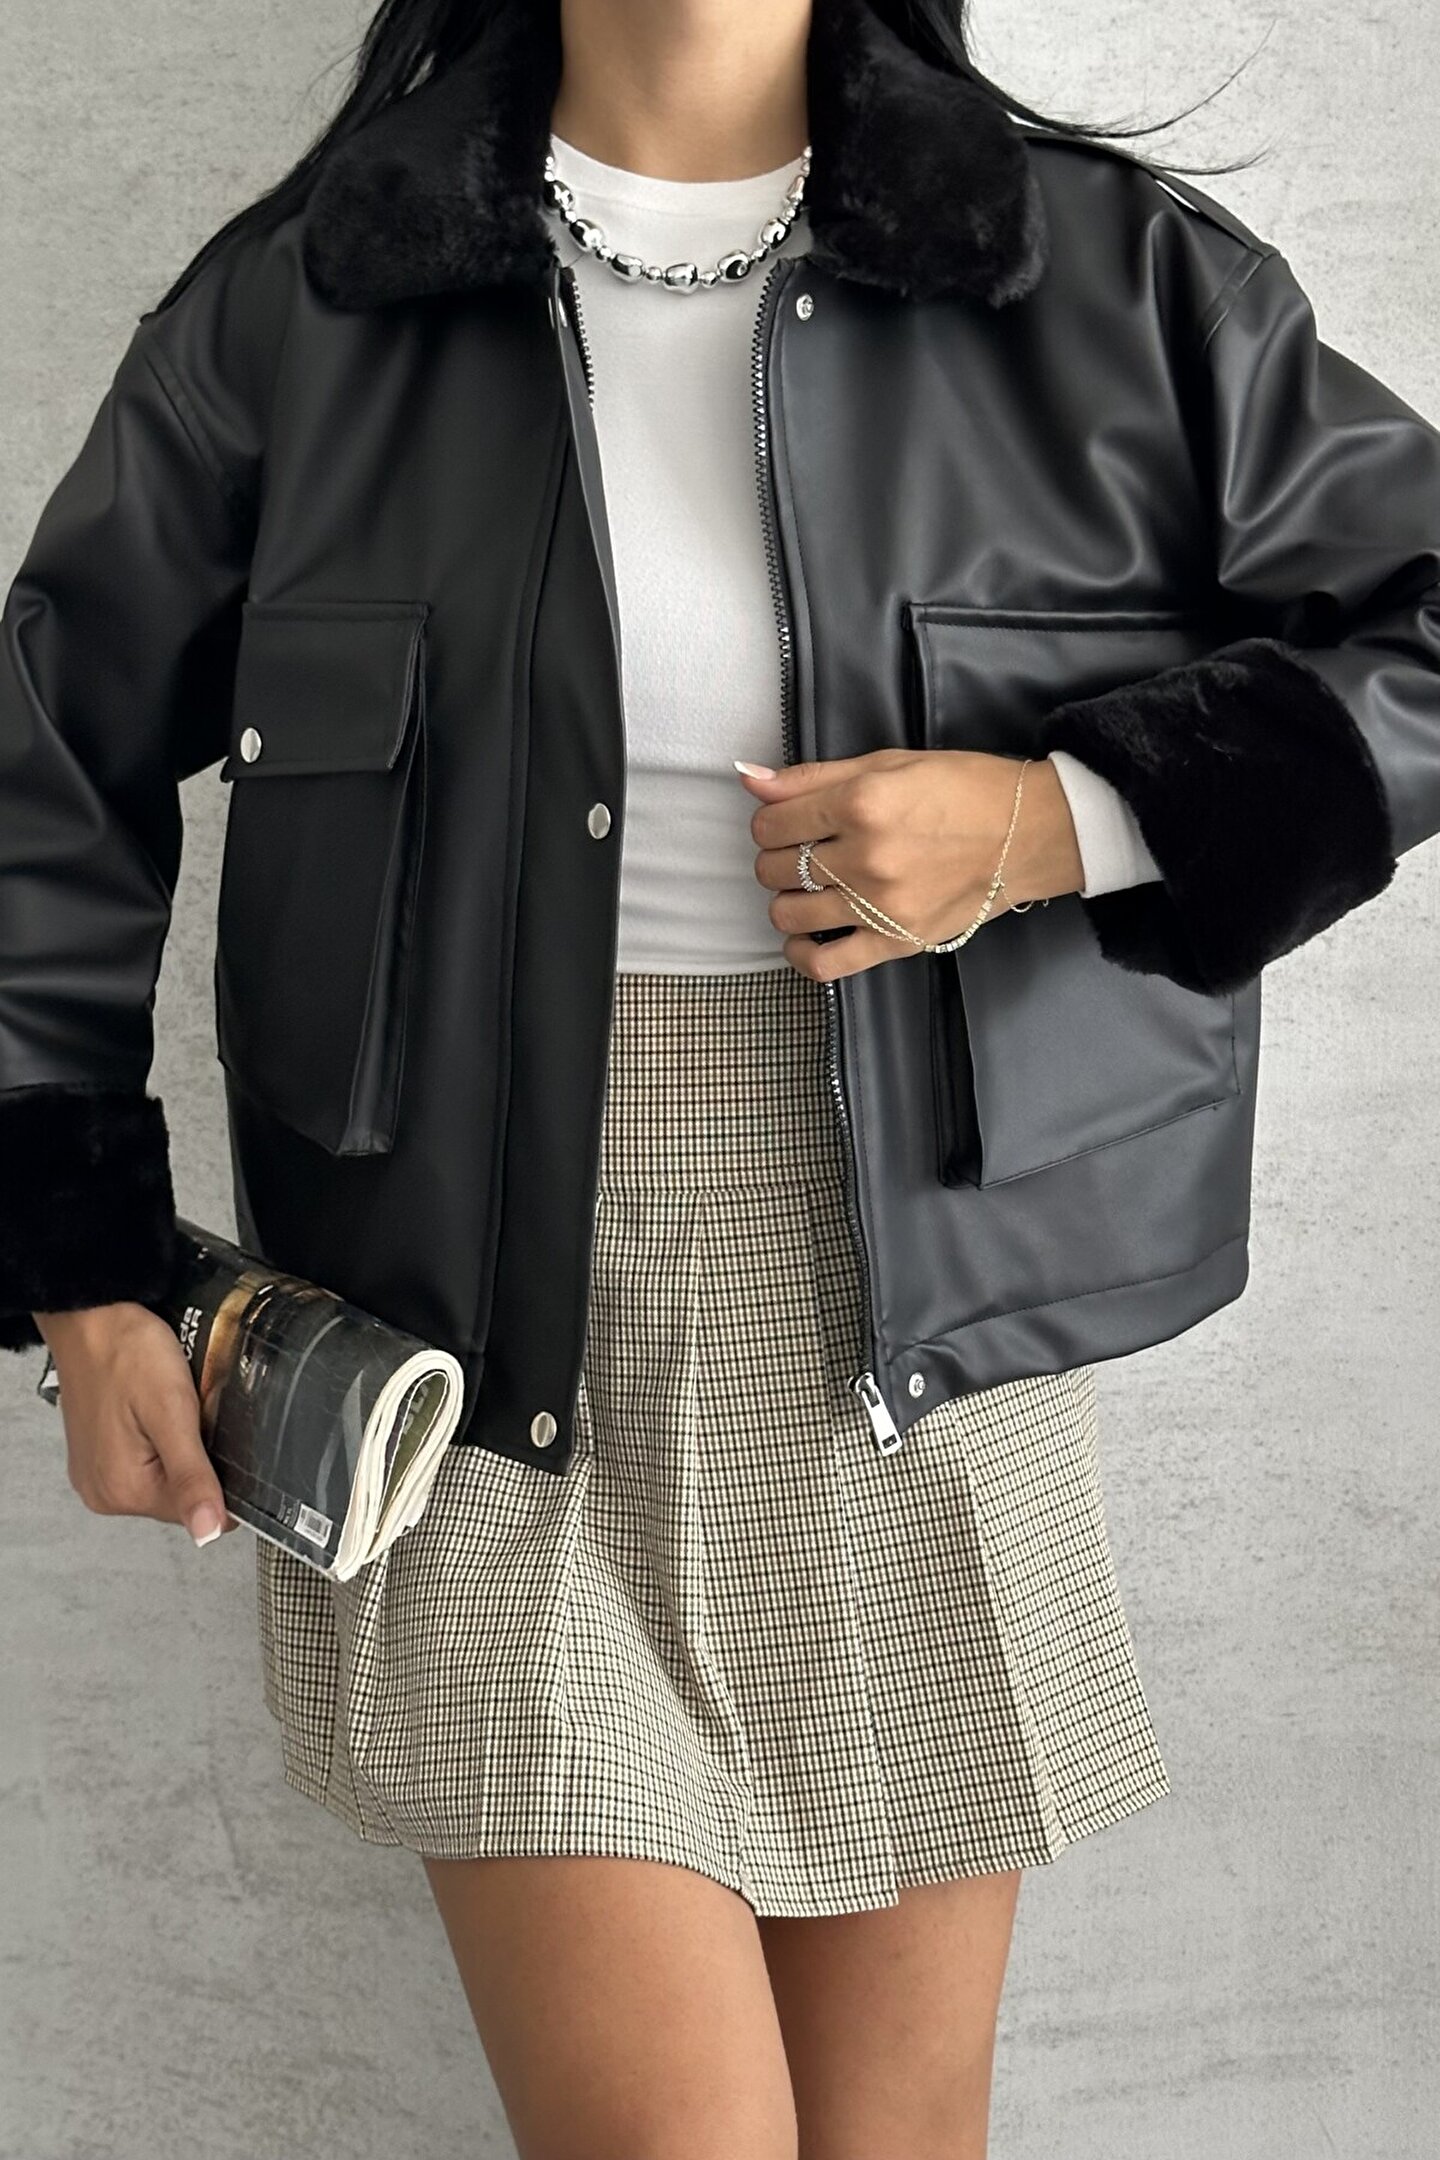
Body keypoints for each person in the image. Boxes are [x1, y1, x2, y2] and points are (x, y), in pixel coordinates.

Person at [4, 2, 1439, 2154]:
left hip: (918, 1347)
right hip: (467, 1351)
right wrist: (78, 1273)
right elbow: (49, 756)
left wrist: (1057, 821)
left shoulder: (1104, 276)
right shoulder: (315, 296)